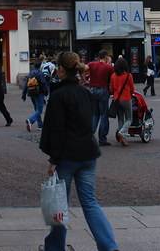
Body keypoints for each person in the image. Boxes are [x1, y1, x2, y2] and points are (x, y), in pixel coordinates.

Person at [39, 51, 120, 251]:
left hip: (67, 156)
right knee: (90, 202)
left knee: (60, 205)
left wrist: (53, 160)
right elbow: (88, 122)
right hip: (88, 153)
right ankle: (109, 246)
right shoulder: (85, 92)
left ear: (60, 69)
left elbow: (56, 130)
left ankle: (55, 247)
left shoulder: (59, 95)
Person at [85, 52, 115, 146]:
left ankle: (89, 136)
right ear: (106, 57)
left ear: (98, 57)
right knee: (104, 114)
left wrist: (84, 81)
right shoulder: (108, 67)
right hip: (103, 90)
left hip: (92, 89)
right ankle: (102, 139)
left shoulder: (92, 64)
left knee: (95, 114)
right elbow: (113, 77)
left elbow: (82, 69)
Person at [109, 57, 135, 146]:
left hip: (117, 99)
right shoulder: (129, 76)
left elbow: (111, 90)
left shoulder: (113, 76)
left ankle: (121, 136)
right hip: (126, 98)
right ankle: (122, 133)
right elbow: (132, 89)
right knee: (129, 118)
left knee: (120, 118)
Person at [22, 60, 50, 131]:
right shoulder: (40, 73)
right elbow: (43, 83)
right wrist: (46, 92)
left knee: (36, 109)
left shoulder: (30, 73)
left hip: (31, 92)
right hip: (39, 93)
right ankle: (30, 120)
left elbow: (26, 84)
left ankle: (40, 125)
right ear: (40, 66)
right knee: (39, 109)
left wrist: (24, 94)